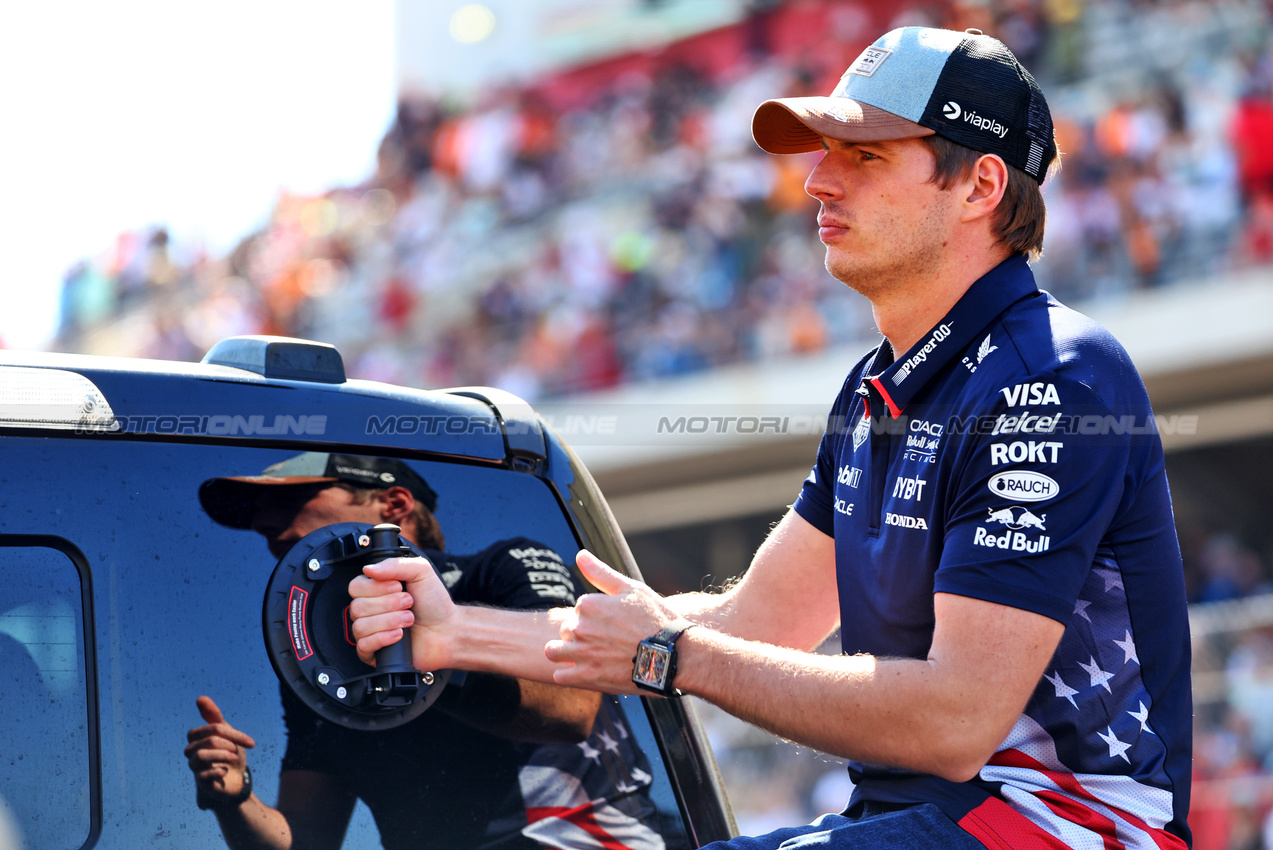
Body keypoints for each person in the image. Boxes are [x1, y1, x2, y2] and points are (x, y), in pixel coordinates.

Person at [348, 26, 1194, 849]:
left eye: (864, 155)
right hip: (919, 823)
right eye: (823, 151)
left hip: (1062, 829)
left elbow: (953, 721)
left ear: (978, 187)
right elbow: (748, 626)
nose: (817, 182)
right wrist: (457, 633)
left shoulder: (1048, 376)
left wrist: (667, 657)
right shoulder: (879, 389)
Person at [185, 451, 665, 850]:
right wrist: (237, 798)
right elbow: (308, 837)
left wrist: (422, 662)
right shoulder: (318, 662)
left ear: (393, 503)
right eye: (257, 519)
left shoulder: (502, 567)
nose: (267, 526)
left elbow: (571, 707)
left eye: (292, 499)